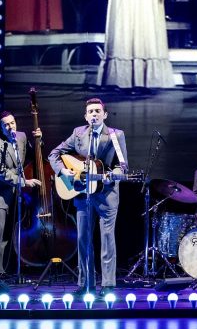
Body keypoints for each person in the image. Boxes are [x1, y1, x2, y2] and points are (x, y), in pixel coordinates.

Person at [49, 98, 128, 295]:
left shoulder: (115, 135)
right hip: (83, 193)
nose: (94, 114)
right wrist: (62, 172)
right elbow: (54, 154)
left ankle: (108, 284)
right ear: (86, 116)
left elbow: (123, 167)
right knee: (83, 239)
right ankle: (86, 283)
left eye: (97, 111)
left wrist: (112, 175)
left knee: (107, 239)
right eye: (91, 111)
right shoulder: (79, 133)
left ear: (105, 114)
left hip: (106, 195)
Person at [0, 110, 42, 277]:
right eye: (6, 124)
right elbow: (1, 173)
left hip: (13, 191)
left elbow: (32, 154)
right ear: (1, 127)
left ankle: (0, 270)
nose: (10, 127)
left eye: (12, 123)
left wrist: (38, 140)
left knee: (8, 232)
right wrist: (24, 182)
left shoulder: (21, 137)